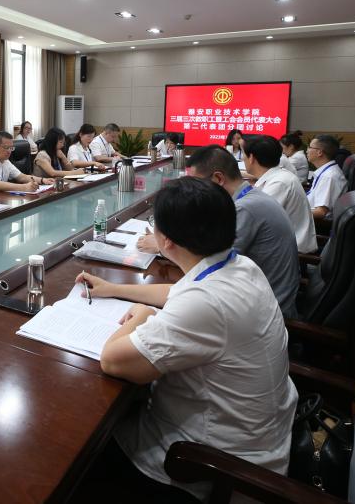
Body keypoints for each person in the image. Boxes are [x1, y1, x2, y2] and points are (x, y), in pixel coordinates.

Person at [76, 177, 297, 501]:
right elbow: (177, 291)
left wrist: (141, 317)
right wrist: (113, 289)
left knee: (80, 449)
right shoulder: (239, 265)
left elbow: (112, 360)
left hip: (208, 467)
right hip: (259, 439)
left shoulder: (205, 303)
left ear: (165, 241)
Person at [138, 145, 301, 318]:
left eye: (196, 184)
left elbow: (207, 262)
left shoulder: (244, 209)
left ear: (218, 179)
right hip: (254, 296)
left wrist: (163, 244)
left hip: (264, 308)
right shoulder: (250, 198)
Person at [244, 135, 318, 254]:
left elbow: (254, 221)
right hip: (281, 245)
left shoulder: (279, 183)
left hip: (290, 252)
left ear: (251, 158)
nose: (243, 159)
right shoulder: (277, 176)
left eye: (243, 155)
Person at [306, 134, 348, 221]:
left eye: (310, 147)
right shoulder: (326, 171)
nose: (307, 151)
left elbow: (321, 212)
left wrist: (294, 213)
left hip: (316, 223)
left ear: (319, 152)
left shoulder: (329, 176)